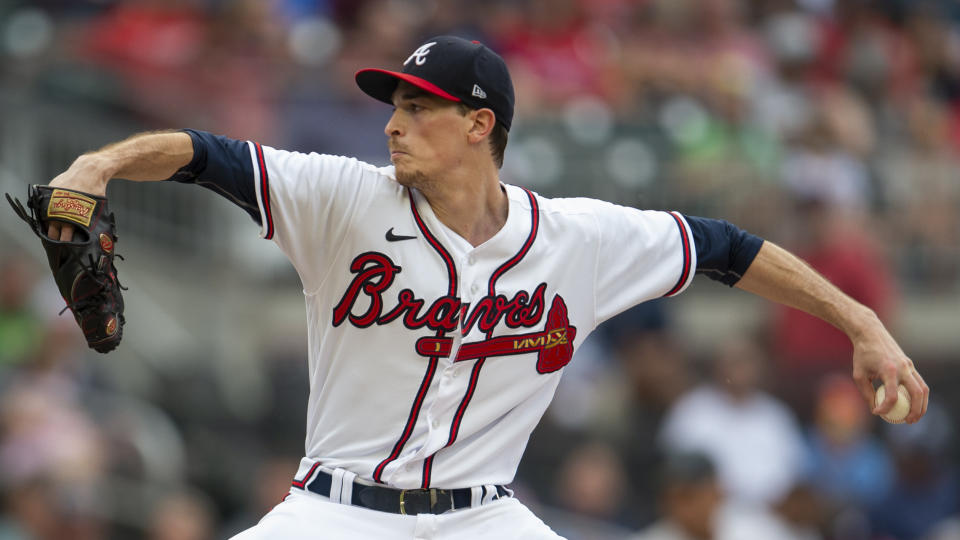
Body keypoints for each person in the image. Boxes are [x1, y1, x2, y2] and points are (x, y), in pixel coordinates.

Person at [40, 35, 928, 539]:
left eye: (418, 108)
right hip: (337, 513)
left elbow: (728, 247)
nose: (393, 125)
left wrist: (863, 323)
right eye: (393, 107)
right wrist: (99, 160)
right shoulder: (341, 198)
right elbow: (203, 155)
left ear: (479, 124)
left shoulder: (578, 239)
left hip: (484, 521)